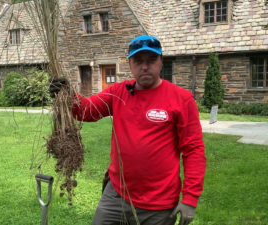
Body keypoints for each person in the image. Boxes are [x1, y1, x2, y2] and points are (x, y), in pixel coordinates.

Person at [50, 35, 206, 225]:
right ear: (130, 64)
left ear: (161, 61)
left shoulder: (181, 98)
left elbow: (194, 150)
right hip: (117, 195)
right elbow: (86, 110)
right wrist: (66, 95)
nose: (145, 66)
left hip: (159, 204)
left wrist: (190, 199)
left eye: (151, 60)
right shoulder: (119, 92)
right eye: (138, 61)